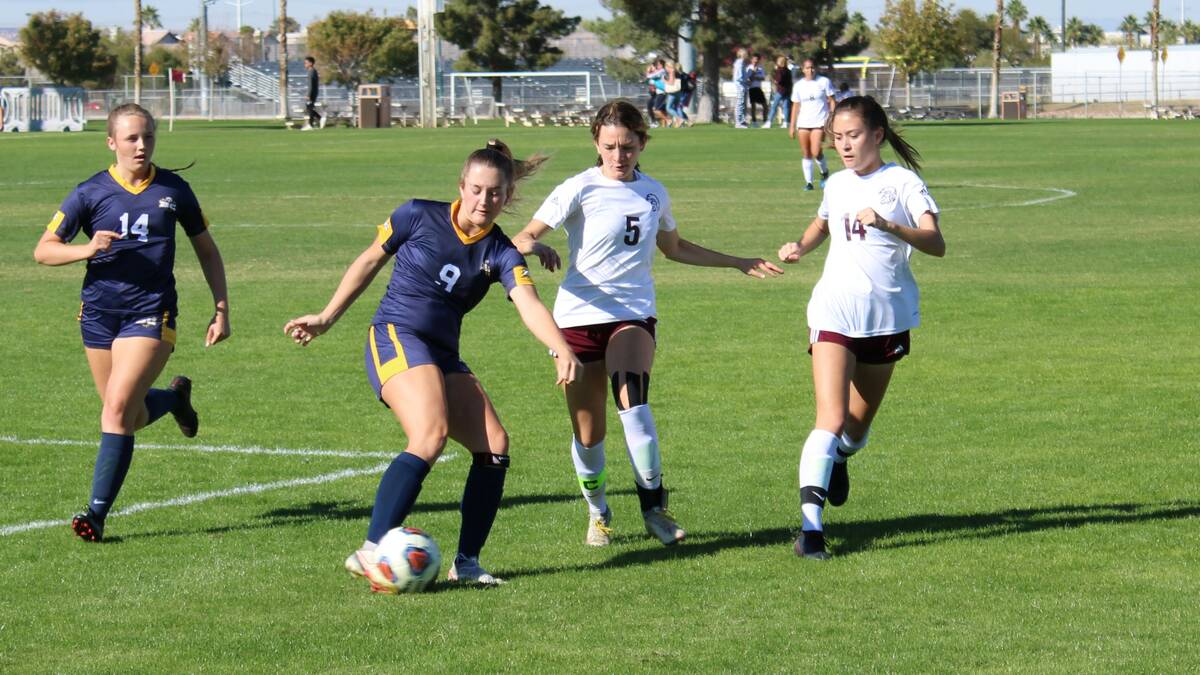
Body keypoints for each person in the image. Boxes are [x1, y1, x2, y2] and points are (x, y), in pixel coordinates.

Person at [283, 139, 580, 589]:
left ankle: (469, 562)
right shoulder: (417, 214)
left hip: (441, 352)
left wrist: (561, 348)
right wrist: (326, 317)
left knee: (495, 444)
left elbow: (529, 304)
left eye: (496, 193)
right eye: (477, 189)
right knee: (430, 434)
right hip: (394, 337)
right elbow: (368, 260)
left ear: (508, 196)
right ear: (461, 185)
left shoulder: (500, 252)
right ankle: (371, 550)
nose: (485, 201)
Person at [512, 101, 783, 547]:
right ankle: (598, 512)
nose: (618, 156)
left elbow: (674, 248)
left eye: (628, 146)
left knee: (633, 404)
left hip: (633, 313)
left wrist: (736, 262)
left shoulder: (654, 191)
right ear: (596, 144)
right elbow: (524, 235)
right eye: (609, 147)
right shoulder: (578, 189)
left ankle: (654, 506)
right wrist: (534, 247)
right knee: (589, 433)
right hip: (577, 318)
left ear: (643, 143)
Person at [33, 103, 231, 543]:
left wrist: (221, 309)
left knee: (118, 409)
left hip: (151, 311)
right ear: (111, 142)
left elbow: (208, 251)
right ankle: (176, 400)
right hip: (99, 316)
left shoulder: (174, 190)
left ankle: (96, 515)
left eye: (148, 137)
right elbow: (44, 249)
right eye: (131, 138)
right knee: (128, 414)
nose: (141, 146)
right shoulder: (89, 193)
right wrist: (86, 249)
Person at [777, 95, 946, 560]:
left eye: (853, 136)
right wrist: (800, 246)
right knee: (829, 419)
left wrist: (892, 226)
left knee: (854, 428)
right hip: (833, 311)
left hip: (887, 317)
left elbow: (936, 244)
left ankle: (842, 458)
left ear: (877, 134)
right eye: (837, 138)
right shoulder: (837, 183)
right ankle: (810, 533)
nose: (844, 146)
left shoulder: (903, 183)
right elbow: (823, 223)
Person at [789, 58, 837, 191]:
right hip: (803, 123)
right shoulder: (798, 85)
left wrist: (831, 117)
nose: (810, 70)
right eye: (807, 68)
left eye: (812, 68)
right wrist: (792, 125)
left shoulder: (824, 82)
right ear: (803, 70)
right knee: (806, 153)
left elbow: (832, 100)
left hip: (819, 122)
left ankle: (824, 173)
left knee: (816, 151)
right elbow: (795, 106)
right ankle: (809, 183)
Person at [765, 55, 793, 130]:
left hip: (780, 91)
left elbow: (778, 80)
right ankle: (786, 122)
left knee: (774, 106)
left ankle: (769, 122)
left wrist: (775, 80)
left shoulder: (780, 70)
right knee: (786, 107)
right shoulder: (788, 71)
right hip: (787, 91)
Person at [746, 53, 768, 125]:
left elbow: (763, 77)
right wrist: (753, 73)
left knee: (765, 105)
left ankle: (765, 120)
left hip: (758, 88)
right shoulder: (748, 68)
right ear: (751, 59)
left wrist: (756, 77)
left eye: (757, 59)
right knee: (753, 105)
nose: (755, 61)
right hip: (751, 88)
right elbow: (748, 79)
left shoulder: (761, 67)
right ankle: (754, 121)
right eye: (754, 59)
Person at [303, 56, 323, 130]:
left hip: (312, 93)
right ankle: (318, 119)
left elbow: (310, 84)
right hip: (314, 92)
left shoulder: (311, 72)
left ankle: (312, 124)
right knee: (310, 108)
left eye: (306, 63)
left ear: (311, 63)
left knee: (309, 108)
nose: (305, 64)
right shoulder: (313, 71)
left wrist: (308, 95)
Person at [732, 48, 749, 128]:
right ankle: (738, 122)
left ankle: (742, 121)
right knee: (740, 104)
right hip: (740, 85)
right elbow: (738, 76)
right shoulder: (740, 62)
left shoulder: (743, 63)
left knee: (743, 104)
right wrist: (743, 81)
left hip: (744, 85)